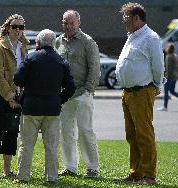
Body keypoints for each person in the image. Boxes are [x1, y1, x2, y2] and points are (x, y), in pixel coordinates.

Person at [13, 29, 75, 183]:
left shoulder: (31, 58)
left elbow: (17, 79)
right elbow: (71, 87)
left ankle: (23, 177)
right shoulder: (61, 61)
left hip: (31, 107)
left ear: (37, 43)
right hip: (52, 109)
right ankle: (52, 177)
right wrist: (59, 99)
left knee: (27, 145)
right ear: (54, 43)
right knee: (52, 146)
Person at [115, 3, 165, 185]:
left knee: (144, 134)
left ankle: (149, 176)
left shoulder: (150, 37)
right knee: (132, 135)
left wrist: (157, 85)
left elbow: (159, 65)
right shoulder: (132, 37)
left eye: (126, 18)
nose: (124, 21)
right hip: (128, 93)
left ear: (137, 18)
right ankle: (135, 172)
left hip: (142, 92)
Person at [55, 10, 101, 178]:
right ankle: (70, 167)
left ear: (78, 23)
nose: (68, 26)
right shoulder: (57, 41)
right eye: (65, 23)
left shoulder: (88, 42)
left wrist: (88, 90)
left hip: (82, 93)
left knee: (85, 131)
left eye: (71, 23)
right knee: (66, 132)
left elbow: (95, 68)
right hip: (64, 96)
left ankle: (92, 168)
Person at [0, 14, 28, 180]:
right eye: (14, 26)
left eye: (21, 27)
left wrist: (17, 95)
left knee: (11, 131)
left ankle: (7, 170)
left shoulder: (24, 46)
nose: (18, 30)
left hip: (16, 94)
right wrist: (9, 96)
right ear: (8, 28)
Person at [157, 43, 178, 112]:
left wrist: (165, 78)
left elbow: (168, 69)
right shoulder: (174, 56)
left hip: (170, 77)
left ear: (168, 49)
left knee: (166, 92)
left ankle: (165, 107)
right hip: (175, 77)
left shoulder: (168, 56)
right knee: (172, 91)